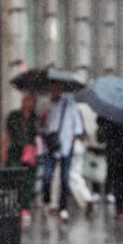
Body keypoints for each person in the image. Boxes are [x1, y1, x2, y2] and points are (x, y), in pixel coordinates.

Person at [40, 81, 84, 221]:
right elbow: (41, 127)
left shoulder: (70, 104)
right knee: (47, 176)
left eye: (57, 88)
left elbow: (77, 127)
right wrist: (44, 118)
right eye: (52, 88)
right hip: (51, 146)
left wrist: (72, 140)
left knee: (65, 178)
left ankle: (63, 207)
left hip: (66, 146)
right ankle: (47, 202)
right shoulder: (46, 105)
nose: (55, 91)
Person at [2, 92, 39, 222]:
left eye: (31, 101)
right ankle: (16, 205)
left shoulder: (35, 118)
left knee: (28, 181)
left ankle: (24, 207)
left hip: (29, 154)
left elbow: (38, 136)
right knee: (14, 178)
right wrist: (4, 151)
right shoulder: (14, 116)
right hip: (15, 152)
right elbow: (7, 134)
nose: (28, 104)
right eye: (26, 100)